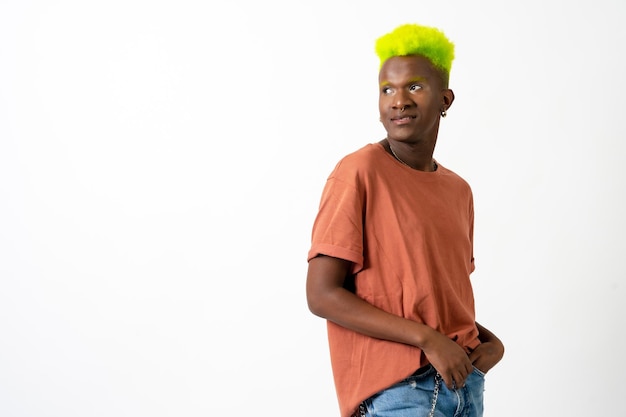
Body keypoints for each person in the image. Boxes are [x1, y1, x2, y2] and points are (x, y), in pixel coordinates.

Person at [306, 23, 504, 417]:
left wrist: (490, 342)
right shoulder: (358, 172)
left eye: (414, 87)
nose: (399, 100)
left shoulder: (458, 190)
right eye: (387, 89)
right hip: (400, 393)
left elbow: (433, 296)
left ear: (445, 99)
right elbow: (321, 295)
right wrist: (427, 339)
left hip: (465, 386)